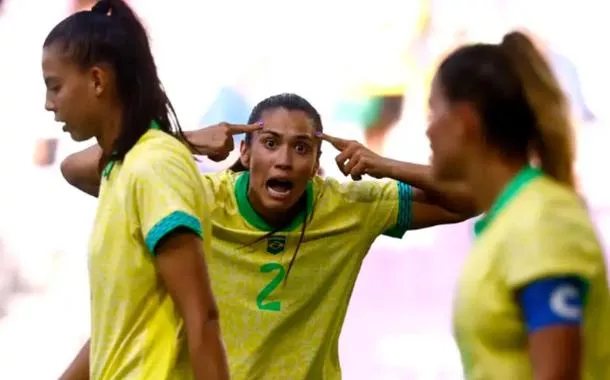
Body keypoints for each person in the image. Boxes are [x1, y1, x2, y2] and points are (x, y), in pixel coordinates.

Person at [61, 92, 476, 379]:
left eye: (300, 148)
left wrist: (385, 165)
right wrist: (182, 142)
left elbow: (472, 195)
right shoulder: (197, 197)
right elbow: (76, 168)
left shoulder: (349, 207)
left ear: (317, 162)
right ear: (245, 152)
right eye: (271, 143)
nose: (283, 160)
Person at [42, 1, 229, 379]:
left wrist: (176, 142)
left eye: (55, 87)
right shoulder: (121, 168)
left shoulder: (154, 165)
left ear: (97, 80)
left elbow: (202, 318)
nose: (49, 104)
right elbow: (117, 334)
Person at [426, 31, 610, 379]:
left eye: (433, 111)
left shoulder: (542, 220)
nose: (428, 130)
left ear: (465, 122)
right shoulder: (510, 219)